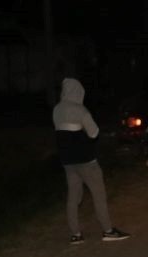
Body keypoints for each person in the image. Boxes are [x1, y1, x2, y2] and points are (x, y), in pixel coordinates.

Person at [52, 78, 130, 244]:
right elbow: (94, 133)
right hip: (86, 160)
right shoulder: (80, 109)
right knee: (98, 194)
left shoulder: (56, 110)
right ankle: (108, 230)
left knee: (73, 196)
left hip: (68, 161)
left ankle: (76, 234)